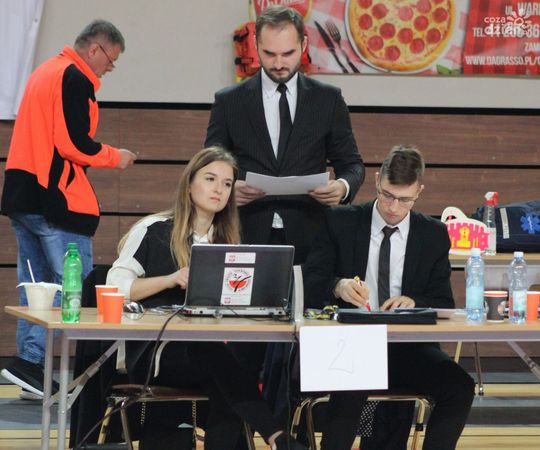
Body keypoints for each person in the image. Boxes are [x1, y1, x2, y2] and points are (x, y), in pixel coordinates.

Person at [106, 146, 306, 450]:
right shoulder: (153, 229)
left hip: (209, 354)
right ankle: (277, 436)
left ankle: (275, 438)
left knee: (228, 370)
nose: (219, 189)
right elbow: (116, 287)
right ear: (189, 185)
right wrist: (170, 279)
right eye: (210, 179)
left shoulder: (228, 243)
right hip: (155, 353)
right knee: (216, 357)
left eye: (227, 184)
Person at [303, 145, 475, 450]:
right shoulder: (341, 221)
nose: (394, 207)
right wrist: (338, 286)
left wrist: (414, 301)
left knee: (460, 386)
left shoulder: (433, 234)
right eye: (387, 195)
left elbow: (443, 301)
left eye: (404, 199)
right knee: (355, 381)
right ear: (376, 181)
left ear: (419, 191)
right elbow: (310, 281)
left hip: (406, 347)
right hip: (347, 346)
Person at [0, 19, 137, 400]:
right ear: (94, 49)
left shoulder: (45, 71)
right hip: (55, 199)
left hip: (23, 194)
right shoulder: (74, 78)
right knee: (74, 289)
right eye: (111, 59)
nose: (111, 67)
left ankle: (31, 369)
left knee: (39, 290)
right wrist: (116, 157)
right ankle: (53, 374)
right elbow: (73, 143)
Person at [205, 5, 364, 265]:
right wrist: (228, 189)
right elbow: (208, 167)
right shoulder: (229, 101)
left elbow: (352, 165)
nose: (278, 64)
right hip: (243, 231)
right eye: (269, 54)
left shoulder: (328, 99)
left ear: (303, 45)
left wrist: (342, 188)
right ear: (256, 45)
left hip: (312, 235)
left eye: (288, 53)